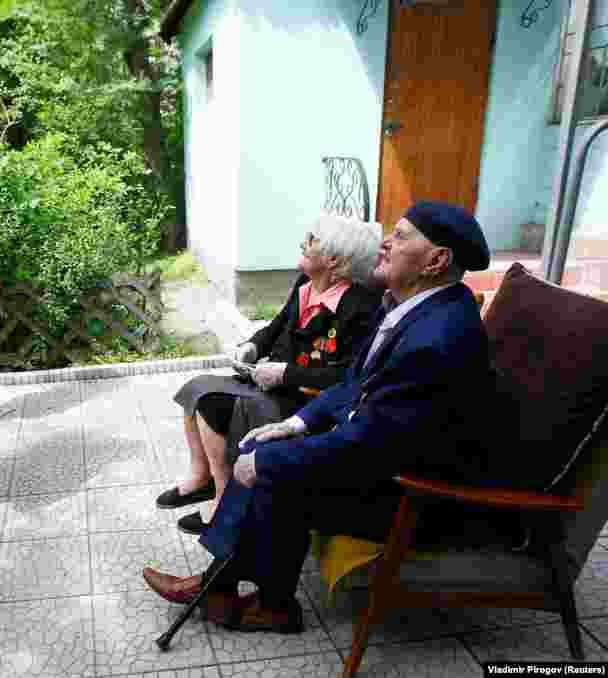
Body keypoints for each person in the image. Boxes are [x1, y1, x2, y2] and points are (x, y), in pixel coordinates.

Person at [143, 201, 499, 633]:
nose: (385, 242)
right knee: (266, 445)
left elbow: (371, 444)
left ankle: (247, 597)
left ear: (436, 261)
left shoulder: (437, 336)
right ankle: (233, 592)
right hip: (388, 460)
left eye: (401, 236)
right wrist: (295, 423)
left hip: (417, 496)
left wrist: (272, 458)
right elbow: (353, 382)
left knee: (272, 470)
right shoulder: (413, 307)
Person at [163, 214, 382, 535]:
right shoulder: (305, 284)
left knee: (211, 404)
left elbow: (346, 376)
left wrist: (285, 374)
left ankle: (223, 502)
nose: (303, 243)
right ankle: (201, 478)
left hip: (302, 400)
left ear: (334, 260)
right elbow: (276, 325)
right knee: (195, 389)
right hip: (271, 383)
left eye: (312, 240)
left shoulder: (360, 306)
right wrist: (251, 346)